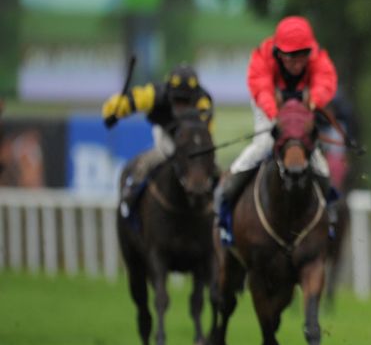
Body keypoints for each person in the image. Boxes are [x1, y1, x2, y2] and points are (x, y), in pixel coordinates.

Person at [216, 15, 338, 244]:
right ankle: (225, 193)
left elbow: (325, 82)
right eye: (291, 57)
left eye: (302, 56)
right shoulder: (262, 58)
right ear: (279, 52)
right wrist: (277, 117)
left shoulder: (317, 58)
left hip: (303, 106)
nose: (297, 63)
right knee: (264, 145)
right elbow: (261, 89)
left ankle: (329, 211)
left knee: (316, 158)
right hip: (269, 105)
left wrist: (312, 103)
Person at [101, 63, 213, 216]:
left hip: (191, 140)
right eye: (178, 101)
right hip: (166, 134)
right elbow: (133, 100)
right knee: (150, 162)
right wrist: (113, 110)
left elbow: (204, 134)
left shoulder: (204, 102)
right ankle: (131, 194)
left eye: (186, 102)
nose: (182, 107)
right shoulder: (156, 93)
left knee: (208, 165)